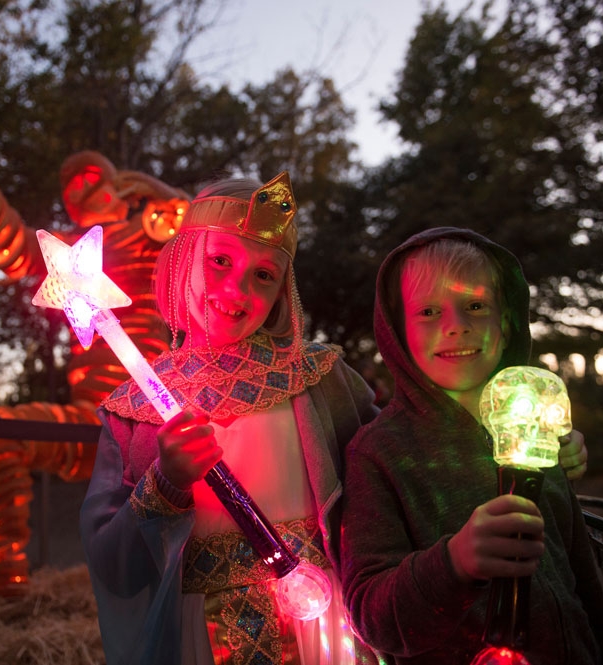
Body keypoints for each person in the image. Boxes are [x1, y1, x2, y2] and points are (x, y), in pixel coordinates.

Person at [79, 172, 383, 664]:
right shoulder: (134, 410)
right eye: (219, 260)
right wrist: (167, 483)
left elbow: (388, 474)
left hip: (322, 630)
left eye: (264, 274)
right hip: (199, 638)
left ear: (284, 291)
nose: (236, 288)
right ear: (181, 261)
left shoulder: (319, 378)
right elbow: (116, 568)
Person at [338, 227, 603, 664]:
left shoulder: (537, 429)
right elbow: (372, 617)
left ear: (505, 325)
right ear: (399, 334)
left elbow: (579, 575)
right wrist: (454, 563)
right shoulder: (379, 453)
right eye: (429, 311)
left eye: (474, 306)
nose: (456, 326)